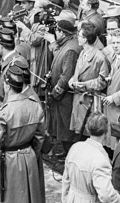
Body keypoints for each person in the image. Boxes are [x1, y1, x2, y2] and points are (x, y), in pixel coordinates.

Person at [0, 60, 46, 203]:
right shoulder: (35, 106)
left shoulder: (4, 111)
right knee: (29, 196)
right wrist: (31, 155)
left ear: (7, 86)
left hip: (9, 160)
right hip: (29, 157)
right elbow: (40, 139)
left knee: (8, 197)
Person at [62, 112, 120, 203]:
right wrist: (118, 199)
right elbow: (106, 196)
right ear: (106, 131)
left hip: (72, 198)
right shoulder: (101, 160)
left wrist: (66, 199)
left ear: (88, 129)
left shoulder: (75, 147)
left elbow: (66, 180)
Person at [48, 13, 82, 162]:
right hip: (62, 95)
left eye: (57, 31)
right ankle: (65, 151)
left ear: (62, 32)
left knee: (66, 125)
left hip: (65, 96)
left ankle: (70, 154)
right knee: (61, 124)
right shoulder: (67, 44)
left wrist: (55, 92)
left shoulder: (70, 49)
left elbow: (66, 75)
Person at [68, 22, 110, 139]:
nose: (78, 38)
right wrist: (72, 80)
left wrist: (84, 85)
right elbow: (78, 72)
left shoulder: (99, 57)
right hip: (78, 98)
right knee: (79, 131)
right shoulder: (82, 53)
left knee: (88, 132)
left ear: (85, 39)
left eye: (80, 36)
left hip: (90, 102)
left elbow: (102, 81)